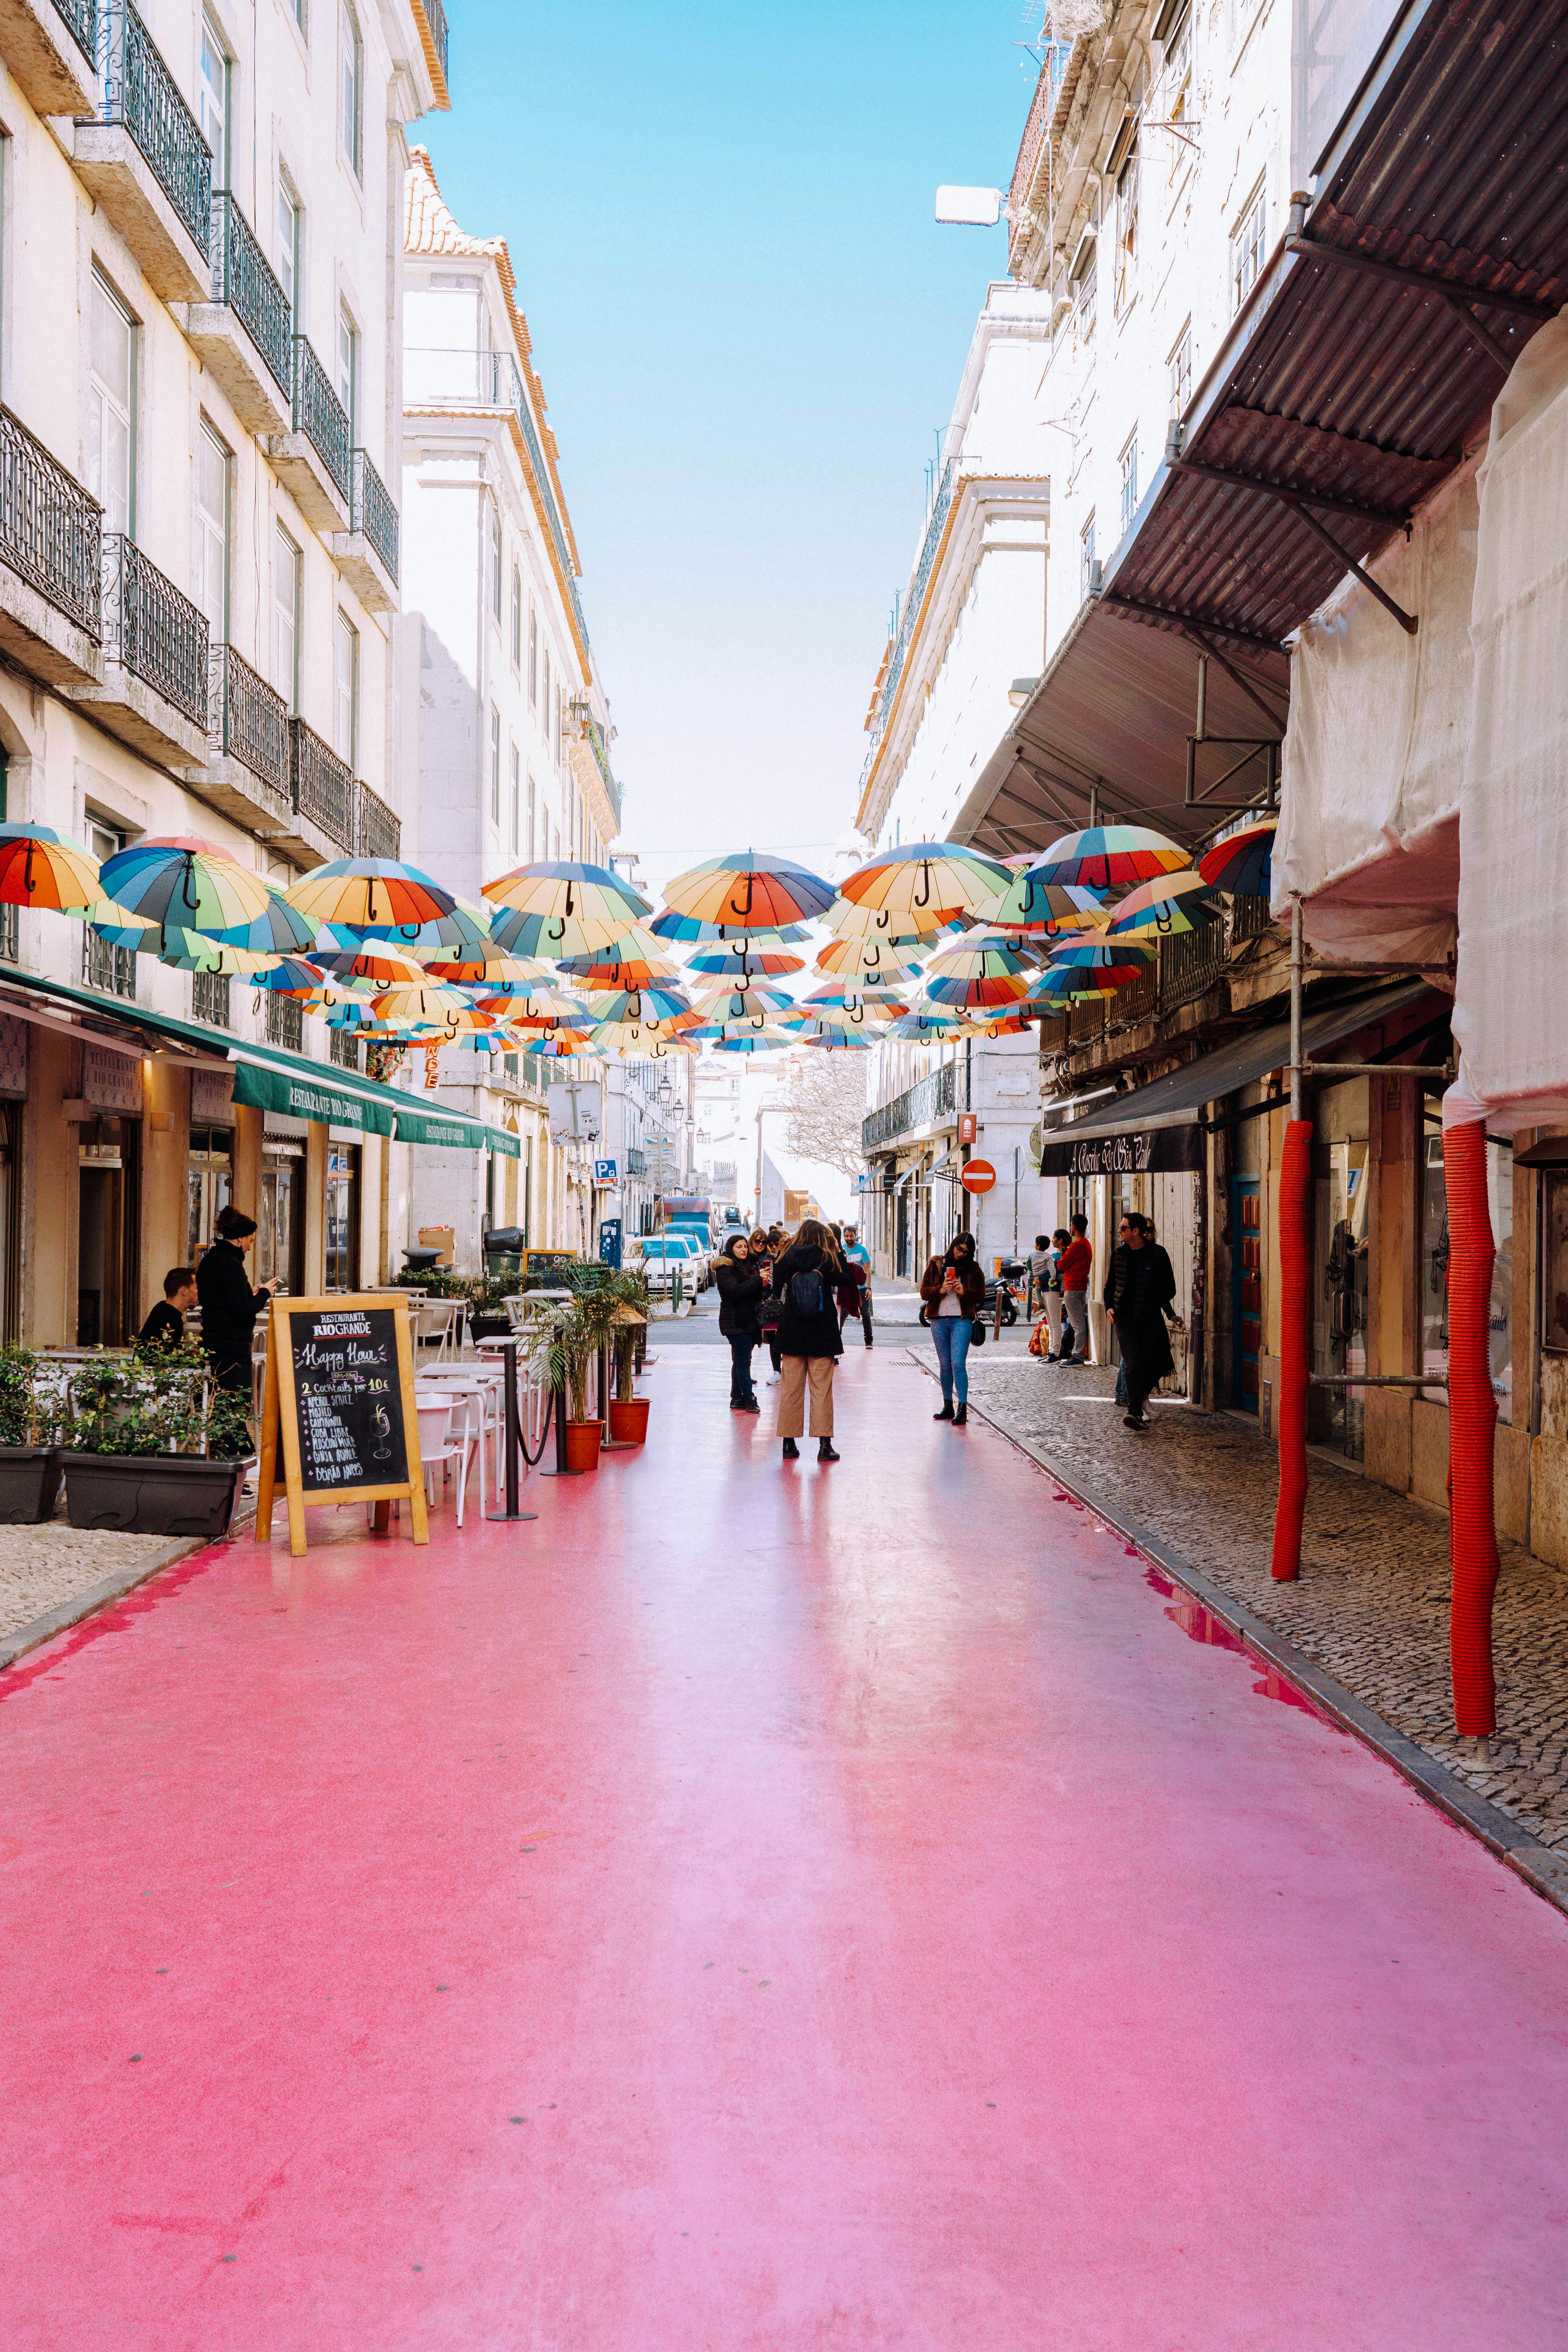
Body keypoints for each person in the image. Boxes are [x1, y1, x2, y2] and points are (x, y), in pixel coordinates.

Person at [196, 1208, 279, 1443]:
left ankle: (237, 1456)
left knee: (225, 1409)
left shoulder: (211, 1261)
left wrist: (249, 1294)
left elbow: (223, 1301)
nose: (251, 1246)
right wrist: (264, 1293)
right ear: (241, 1238)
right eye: (251, 1240)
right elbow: (242, 1310)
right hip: (232, 1348)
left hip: (216, 1343)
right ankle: (234, 1458)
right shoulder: (230, 1264)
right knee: (233, 1409)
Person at [770, 1217, 843, 1463]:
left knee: (790, 1390)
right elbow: (845, 1281)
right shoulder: (827, 1258)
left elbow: (775, 1285)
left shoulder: (788, 1257)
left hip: (792, 1333)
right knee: (822, 1390)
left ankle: (789, 1445)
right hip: (822, 1334)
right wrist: (837, 1249)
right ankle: (824, 1447)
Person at [1104, 1211, 1178, 1430]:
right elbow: (1110, 1286)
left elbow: (1169, 1288)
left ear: (1135, 1231)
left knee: (1156, 1362)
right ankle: (1133, 1412)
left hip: (1150, 1319)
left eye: (1123, 1228)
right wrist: (1109, 1306)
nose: (1119, 1231)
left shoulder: (1158, 1254)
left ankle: (1142, 1400)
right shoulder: (1118, 1254)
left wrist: (1167, 1311)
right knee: (1133, 1363)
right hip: (1124, 1320)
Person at [920, 1230, 985, 1425]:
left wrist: (963, 1292)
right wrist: (941, 1290)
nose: (961, 1254)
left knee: (958, 1363)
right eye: (959, 1248)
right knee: (945, 1364)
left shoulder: (973, 1268)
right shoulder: (937, 1263)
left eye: (966, 1252)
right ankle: (948, 1405)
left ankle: (962, 1408)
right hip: (939, 1320)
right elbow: (924, 1292)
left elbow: (981, 1295)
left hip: (962, 1320)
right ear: (953, 1245)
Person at [714, 1232, 764, 1414]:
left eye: (745, 1246)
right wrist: (759, 1280)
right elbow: (736, 1291)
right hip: (735, 1321)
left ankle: (736, 1397)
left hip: (749, 1320)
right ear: (731, 1249)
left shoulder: (748, 1265)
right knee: (744, 1360)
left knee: (739, 1360)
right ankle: (749, 1398)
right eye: (739, 1247)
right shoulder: (725, 1269)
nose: (743, 1250)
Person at [1055, 1212, 1092, 1364]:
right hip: (1081, 1286)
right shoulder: (1086, 1244)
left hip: (1073, 1287)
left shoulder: (1077, 1245)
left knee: (1077, 1324)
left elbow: (1061, 1265)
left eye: (1071, 1225)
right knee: (1078, 1323)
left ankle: (1077, 1355)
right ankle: (1077, 1354)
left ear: (1074, 1227)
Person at [136, 1267, 196, 1353]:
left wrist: (184, 1353)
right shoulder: (172, 1317)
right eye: (197, 1288)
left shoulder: (162, 1308)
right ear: (184, 1291)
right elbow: (163, 1360)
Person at [839, 1223, 873, 1346]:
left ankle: (869, 1340)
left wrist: (869, 1288)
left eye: (851, 1236)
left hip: (862, 1288)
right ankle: (838, 1339)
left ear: (855, 1236)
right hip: (848, 1289)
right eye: (847, 1236)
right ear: (844, 1236)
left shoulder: (862, 1250)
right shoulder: (842, 1250)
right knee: (842, 1315)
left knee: (865, 1313)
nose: (849, 1238)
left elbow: (867, 1270)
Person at [1039, 1229, 1068, 1358]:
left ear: (1060, 1240)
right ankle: (1051, 1351)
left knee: (1055, 1323)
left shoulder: (1060, 1257)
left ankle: (1055, 1352)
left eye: (1054, 1238)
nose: (1052, 1240)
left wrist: (1039, 1279)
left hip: (1054, 1291)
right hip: (1047, 1290)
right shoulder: (1055, 1256)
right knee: (1051, 1324)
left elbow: (1052, 1272)